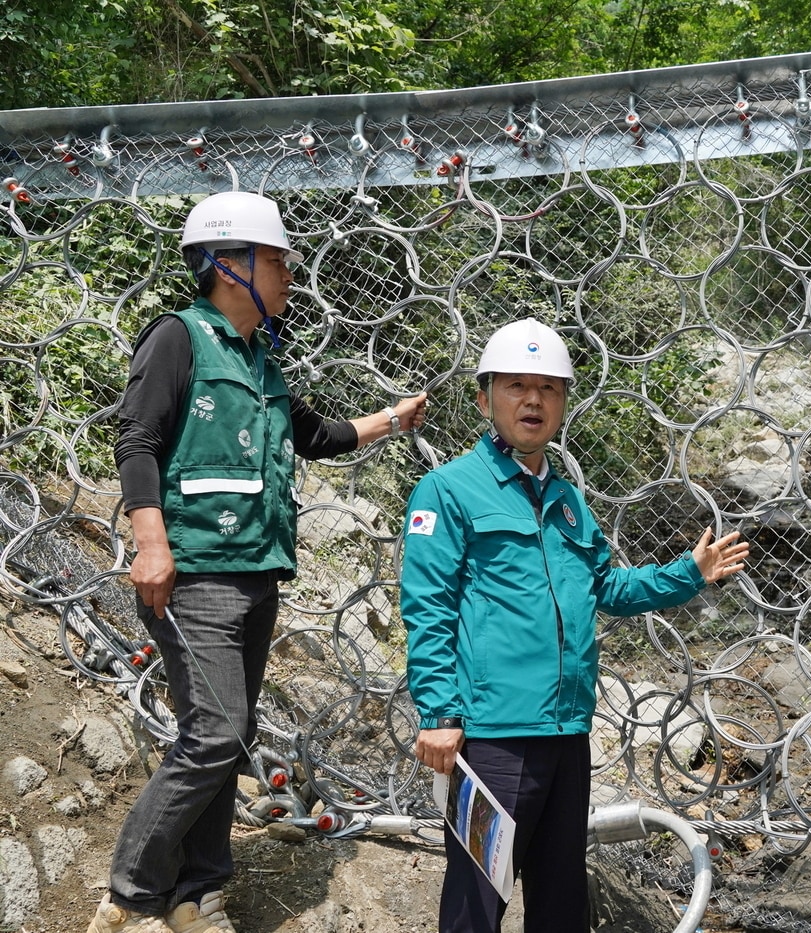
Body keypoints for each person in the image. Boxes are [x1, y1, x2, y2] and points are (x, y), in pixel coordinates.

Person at [91, 191, 429, 933]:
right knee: (215, 732)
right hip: (196, 572)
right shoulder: (178, 339)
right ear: (228, 263)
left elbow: (316, 435)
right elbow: (137, 439)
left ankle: (198, 894)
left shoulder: (260, 360)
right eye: (277, 261)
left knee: (228, 737)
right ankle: (131, 892)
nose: (288, 274)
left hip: (255, 572)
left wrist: (391, 419)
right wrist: (151, 543)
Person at [401, 317, 748, 933]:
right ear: (484, 398)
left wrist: (689, 573)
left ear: (563, 403)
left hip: (565, 733)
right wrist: (439, 714)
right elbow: (428, 606)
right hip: (491, 739)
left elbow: (606, 588)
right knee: (478, 898)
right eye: (516, 386)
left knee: (561, 898)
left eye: (549, 388)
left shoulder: (566, 500)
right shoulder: (447, 491)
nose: (533, 400)